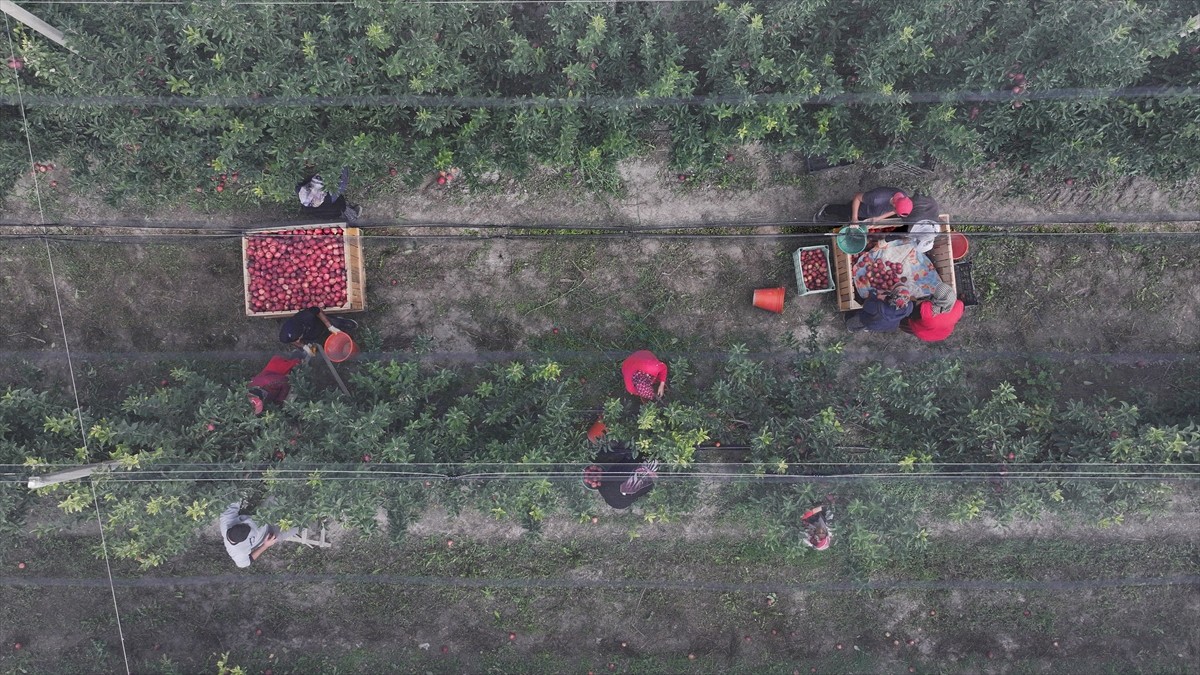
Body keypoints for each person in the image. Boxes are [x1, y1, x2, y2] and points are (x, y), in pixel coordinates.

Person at [220, 501, 297, 568]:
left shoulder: (226, 519)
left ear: (233, 526)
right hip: (269, 533)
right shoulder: (238, 552)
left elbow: (235, 497)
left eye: (245, 525)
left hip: (261, 516)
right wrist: (265, 545)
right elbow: (245, 563)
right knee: (297, 525)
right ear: (243, 540)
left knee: (278, 494)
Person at [583, 442, 659, 510]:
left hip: (644, 477)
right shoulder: (613, 477)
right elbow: (632, 461)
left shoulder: (614, 488)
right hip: (647, 466)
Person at [816, 187, 914, 224]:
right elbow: (857, 197)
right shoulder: (876, 198)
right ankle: (827, 209)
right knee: (844, 210)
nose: (896, 213)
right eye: (897, 212)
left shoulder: (902, 196)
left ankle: (847, 218)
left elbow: (894, 211)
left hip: (869, 214)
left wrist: (878, 218)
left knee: (848, 219)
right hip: (861, 208)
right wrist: (855, 218)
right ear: (894, 203)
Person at [296, 168, 361, 223]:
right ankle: (351, 216)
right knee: (341, 183)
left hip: (322, 208)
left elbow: (340, 204)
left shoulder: (311, 200)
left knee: (341, 184)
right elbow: (340, 205)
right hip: (323, 208)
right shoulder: (309, 202)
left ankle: (351, 215)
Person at [279, 307, 358, 350]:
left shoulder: (305, 317)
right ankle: (325, 343)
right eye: (296, 340)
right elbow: (292, 341)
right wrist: (304, 346)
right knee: (321, 343)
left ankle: (341, 322)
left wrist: (330, 326)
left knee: (334, 323)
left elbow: (318, 310)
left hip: (320, 323)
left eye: (298, 338)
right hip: (312, 335)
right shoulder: (285, 335)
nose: (298, 341)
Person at [845, 284, 913, 332]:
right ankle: (867, 328)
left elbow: (866, 305)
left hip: (872, 322)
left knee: (858, 321)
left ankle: (851, 328)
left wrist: (874, 294)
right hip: (890, 325)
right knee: (873, 324)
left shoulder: (879, 308)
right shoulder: (909, 306)